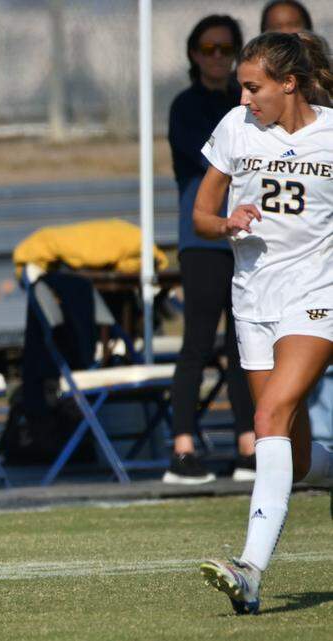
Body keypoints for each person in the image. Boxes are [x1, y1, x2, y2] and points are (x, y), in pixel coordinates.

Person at [194, 31, 333, 614]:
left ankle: (249, 569)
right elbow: (201, 216)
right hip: (253, 300)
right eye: (242, 88)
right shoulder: (235, 128)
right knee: (295, 457)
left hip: (316, 294)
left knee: (268, 415)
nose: (245, 98)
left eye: (254, 87)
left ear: (289, 83)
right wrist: (227, 224)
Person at [165, 15, 256, 485]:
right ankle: (182, 446)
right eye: (208, 48)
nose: (217, 56)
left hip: (246, 236)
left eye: (226, 49)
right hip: (201, 236)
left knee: (242, 342)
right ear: (194, 54)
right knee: (197, 341)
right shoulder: (187, 105)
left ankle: (247, 441)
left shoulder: (249, 102)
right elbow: (208, 157)